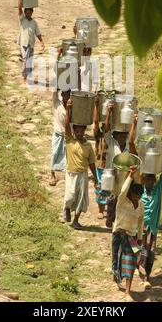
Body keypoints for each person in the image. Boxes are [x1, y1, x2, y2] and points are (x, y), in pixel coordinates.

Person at [139, 139, 162, 289]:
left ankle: (146, 276)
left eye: (152, 179)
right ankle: (139, 272)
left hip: (152, 228)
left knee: (151, 253)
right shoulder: (138, 192)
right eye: (148, 178)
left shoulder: (158, 190)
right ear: (144, 179)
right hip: (139, 228)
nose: (151, 181)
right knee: (141, 252)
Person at [63, 98, 98, 229]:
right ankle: (66, 208)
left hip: (83, 174)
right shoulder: (70, 140)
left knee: (81, 199)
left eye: (81, 131)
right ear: (74, 131)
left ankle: (76, 220)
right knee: (70, 196)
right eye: (76, 131)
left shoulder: (88, 145)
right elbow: (66, 125)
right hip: (71, 173)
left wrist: (95, 177)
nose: (78, 133)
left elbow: (92, 163)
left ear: (84, 131)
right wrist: (68, 108)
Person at [104, 103, 138, 228]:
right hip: (113, 178)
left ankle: (120, 224)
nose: (122, 137)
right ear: (115, 136)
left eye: (124, 135)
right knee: (112, 200)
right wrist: (109, 112)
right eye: (120, 135)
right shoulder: (111, 143)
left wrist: (134, 122)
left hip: (125, 179)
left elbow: (132, 140)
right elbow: (106, 129)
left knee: (123, 201)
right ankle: (110, 218)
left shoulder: (129, 147)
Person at [112, 169, 144, 302]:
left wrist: (140, 238)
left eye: (139, 195)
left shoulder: (141, 206)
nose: (136, 197)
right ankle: (115, 276)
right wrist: (130, 176)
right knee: (116, 260)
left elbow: (141, 222)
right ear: (130, 194)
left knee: (130, 263)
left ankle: (127, 292)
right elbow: (123, 190)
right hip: (118, 235)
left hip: (131, 237)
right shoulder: (122, 201)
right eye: (134, 194)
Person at [18, 0, 45, 82]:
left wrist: (42, 42)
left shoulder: (34, 22)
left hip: (31, 44)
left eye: (30, 12)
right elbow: (19, 8)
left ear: (32, 13)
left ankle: (28, 76)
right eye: (27, 12)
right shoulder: (22, 19)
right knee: (26, 59)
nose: (29, 13)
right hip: (23, 43)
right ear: (25, 12)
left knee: (29, 60)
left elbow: (38, 33)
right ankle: (24, 76)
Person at [49, 89, 71, 186]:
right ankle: (52, 174)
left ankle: (68, 175)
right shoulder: (57, 104)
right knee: (54, 153)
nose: (68, 97)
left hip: (68, 135)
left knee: (68, 156)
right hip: (58, 134)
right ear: (62, 95)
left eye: (69, 95)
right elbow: (54, 93)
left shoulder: (72, 108)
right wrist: (58, 85)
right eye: (66, 95)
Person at [93, 95, 110, 220]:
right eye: (103, 126)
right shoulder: (98, 135)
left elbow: (108, 125)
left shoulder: (111, 137)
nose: (104, 127)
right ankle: (100, 210)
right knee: (99, 187)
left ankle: (108, 209)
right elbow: (95, 122)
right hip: (99, 165)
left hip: (109, 166)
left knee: (109, 188)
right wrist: (96, 105)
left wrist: (109, 112)